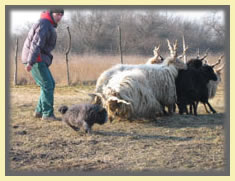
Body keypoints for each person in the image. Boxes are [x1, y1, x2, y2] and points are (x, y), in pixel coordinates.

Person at [21, 9, 64, 121]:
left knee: (50, 84)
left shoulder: (48, 24)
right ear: (51, 13)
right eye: (57, 14)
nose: (59, 17)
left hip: (37, 58)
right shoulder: (44, 24)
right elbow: (36, 43)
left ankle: (39, 111)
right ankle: (47, 114)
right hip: (35, 58)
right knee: (47, 84)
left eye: (61, 15)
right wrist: (30, 62)